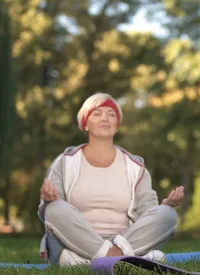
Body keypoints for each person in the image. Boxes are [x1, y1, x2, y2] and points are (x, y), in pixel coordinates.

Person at [38, 92, 185, 266]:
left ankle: (88, 261)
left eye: (111, 114)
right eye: (97, 113)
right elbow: (53, 214)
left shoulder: (135, 166)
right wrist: (49, 201)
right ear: (85, 123)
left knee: (168, 214)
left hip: (126, 240)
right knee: (54, 209)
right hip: (77, 243)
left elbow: (148, 213)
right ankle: (128, 259)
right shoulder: (65, 161)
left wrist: (166, 204)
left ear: (117, 125)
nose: (105, 118)